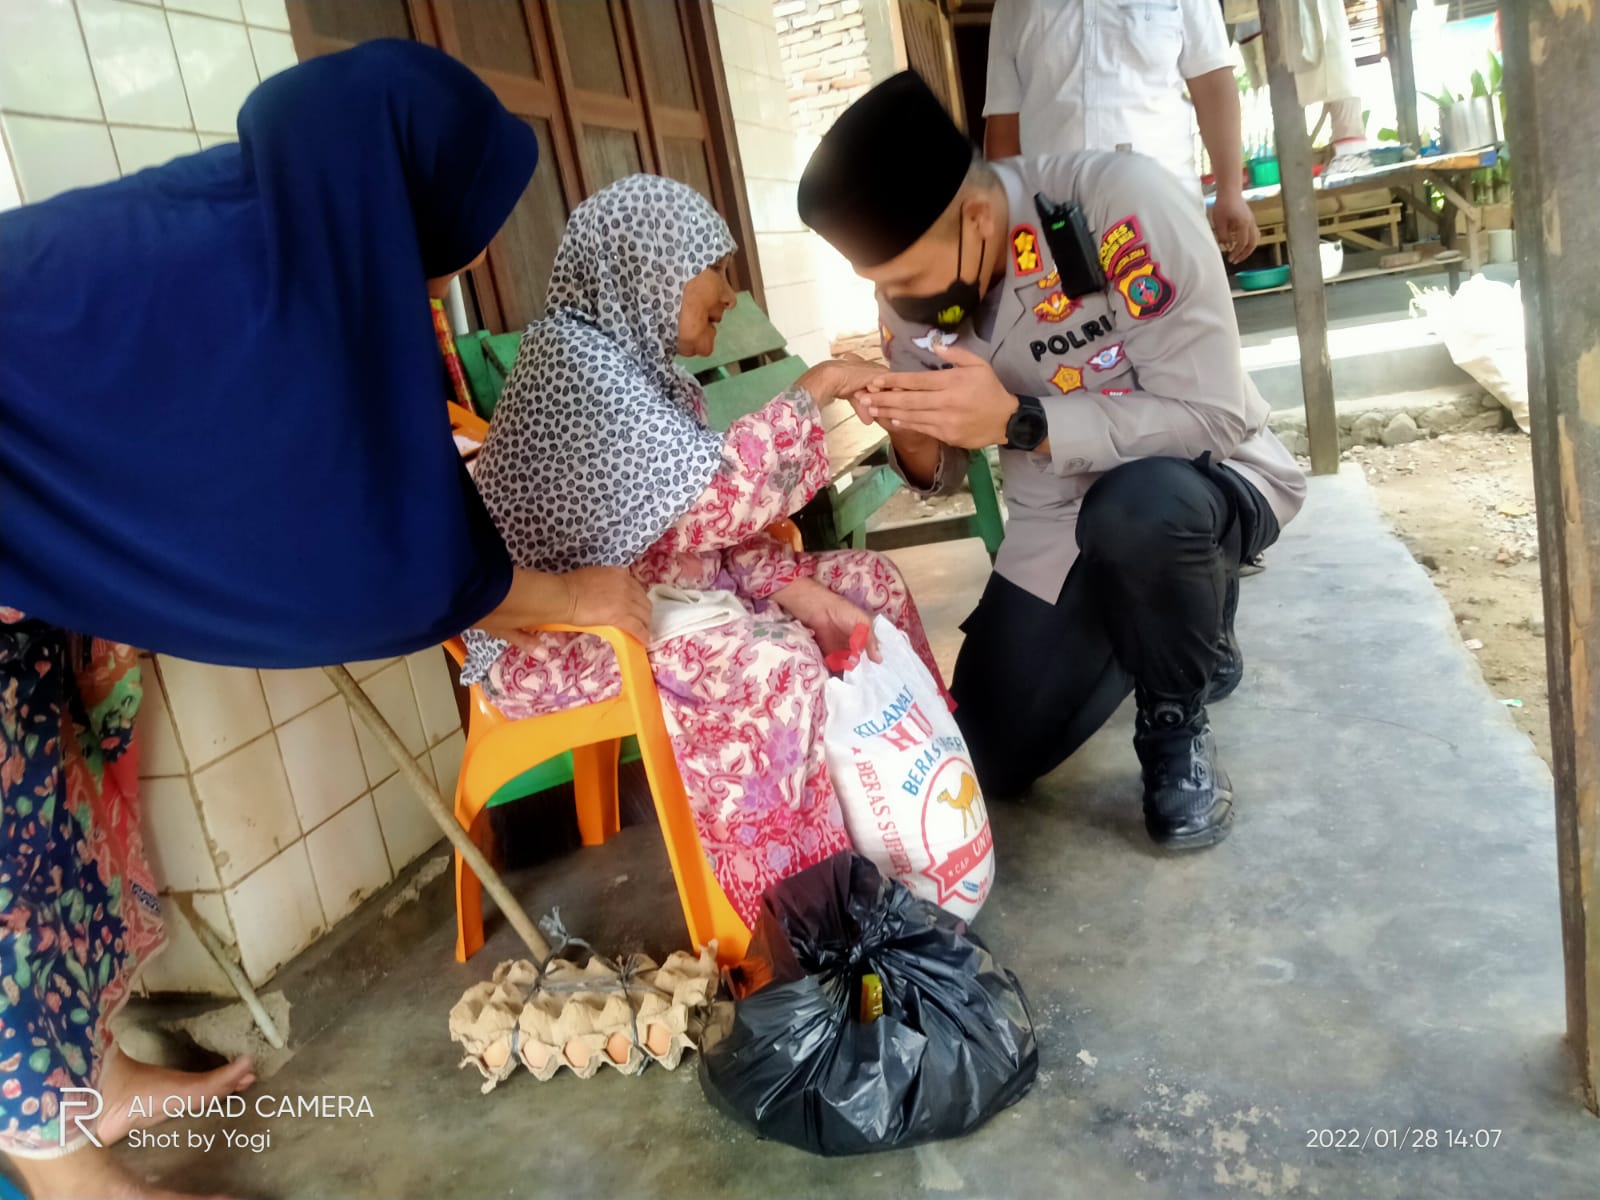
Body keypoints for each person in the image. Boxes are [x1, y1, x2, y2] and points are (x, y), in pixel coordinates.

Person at [0, 42, 645, 1200]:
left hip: (26, 554)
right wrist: (569, 599)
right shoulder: (251, 269)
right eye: (472, 215)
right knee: (12, 865)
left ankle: (95, 1080)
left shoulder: (264, 227)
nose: (474, 252)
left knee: (70, 838)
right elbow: (375, 558)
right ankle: (64, 1174)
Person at [798, 72, 1305, 848]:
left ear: (975, 217)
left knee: (1140, 513)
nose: (899, 302)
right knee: (992, 757)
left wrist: (1020, 421)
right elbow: (935, 473)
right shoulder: (916, 291)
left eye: (904, 279)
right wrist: (911, 427)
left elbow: (1211, 416)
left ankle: (1177, 720)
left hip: (1206, 477)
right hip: (1057, 522)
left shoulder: (1118, 205)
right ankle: (1167, 614)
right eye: (883, 287)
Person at [463, 174, 945, 926]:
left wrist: (788, 583)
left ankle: (925, 829)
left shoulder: (643, 371)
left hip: (654, 593)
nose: (729, 292)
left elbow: (686, 531)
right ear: (651, 267)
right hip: (549, 638)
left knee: (868, 585)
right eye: (714, 268)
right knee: (772, 664)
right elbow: (713, 501)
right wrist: (816, 387)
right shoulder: (573, 361)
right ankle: (799, 926)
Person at [983, 0, 1261, 264]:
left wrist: (1230, 192)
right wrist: (1006, 224)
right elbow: (1003, 128)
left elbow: (1213, 86)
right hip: (1058, 227)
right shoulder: (1013, 7)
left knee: (1176, 300)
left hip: (1163, 215)